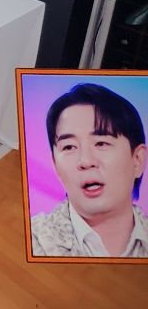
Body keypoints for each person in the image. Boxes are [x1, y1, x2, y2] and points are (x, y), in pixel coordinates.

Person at [30, 83, 148, 257]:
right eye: (69, 147)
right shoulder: (34, 239)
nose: (85, 161)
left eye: (101, 143)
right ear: (55, 164)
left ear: (137, 160)